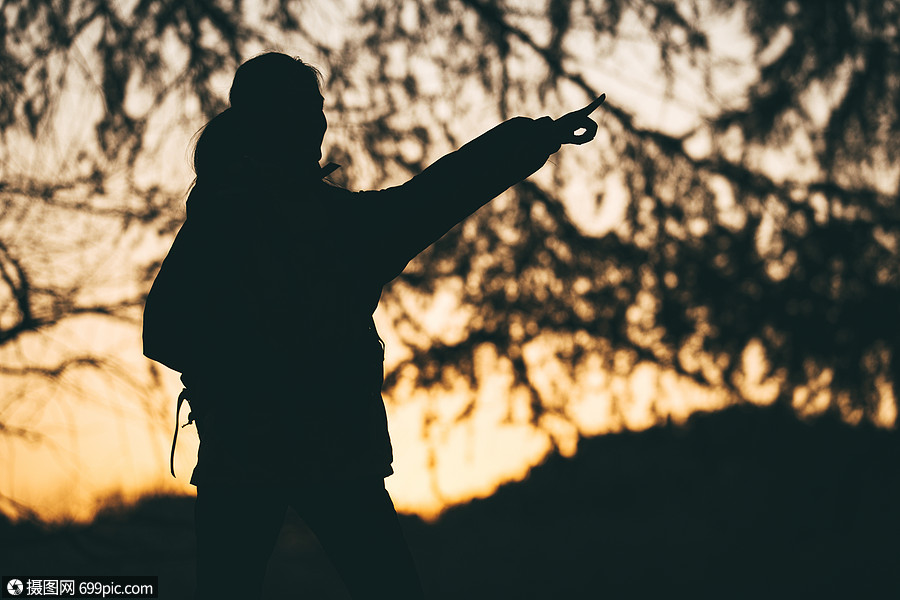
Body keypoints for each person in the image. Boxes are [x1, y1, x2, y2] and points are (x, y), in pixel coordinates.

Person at [142, 51, 605, 599]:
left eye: (318, 108)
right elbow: (164, 331)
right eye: (305, 109)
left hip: (269, 456)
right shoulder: (304, 229)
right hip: (309, 456)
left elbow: (444, 190)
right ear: (271, 121)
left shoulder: (237, 219)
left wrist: (533, 138)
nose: (319, 122)